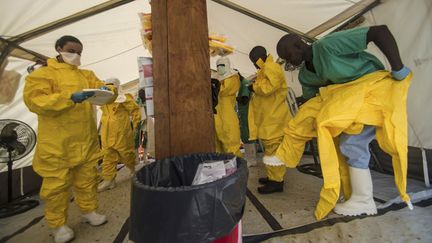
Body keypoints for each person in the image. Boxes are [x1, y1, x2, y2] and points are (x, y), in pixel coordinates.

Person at [272, 25, 412, 218]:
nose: (289, 61)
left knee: (352, 143)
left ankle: (364, 200)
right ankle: (288, 152)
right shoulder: (305, 75)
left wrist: (398, 67)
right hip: (347, 101)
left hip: (372, 89)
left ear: (299, 44)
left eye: (289, 55)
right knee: (337, 140)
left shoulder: (327, 45)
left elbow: (379, 31)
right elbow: (314, 101)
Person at [23, 35, 116, 243]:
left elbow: (105, 88)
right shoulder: (42, 75)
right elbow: (36, 102)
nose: (76, 56)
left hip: (85, 140)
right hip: (57, 144)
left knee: (87, 180)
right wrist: (68, 98)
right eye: (72, 50)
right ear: (59, 48)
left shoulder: (86, 75)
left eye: (79, 52)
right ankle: (58, 225)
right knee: (56, 187)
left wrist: (108, 90)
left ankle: (89, 211)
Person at [248, 46, 291, 194]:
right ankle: (273, 176)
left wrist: (253, 87)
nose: (253, 63)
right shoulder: (265, 69)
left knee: (274, 149)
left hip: (274, 118)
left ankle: (276, 182)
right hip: (269, 118)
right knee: (270, 148)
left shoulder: (271, 67)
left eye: (253, 60)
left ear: (258, 58)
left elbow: (268, 88)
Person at [98, 78, 141, 192]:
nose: (108, 87)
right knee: (107, 156)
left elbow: (136, 111)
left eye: (110, 85)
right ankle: (109, 180)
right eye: (106, 85)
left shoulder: (124, 98)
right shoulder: (103, 100)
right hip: (106, 133)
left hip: (121, 133)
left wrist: (137, 127)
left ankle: (133, 170)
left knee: (126, 153)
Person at [213, 57, 242, 157]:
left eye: (222, 66)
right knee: (218, 146)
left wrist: (215, 86)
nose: (219, 68)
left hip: (227, 115)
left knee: (231, 143)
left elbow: (224, 90)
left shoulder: (233, 79)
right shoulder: (216, 80)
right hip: (216, 115)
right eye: (218, 66)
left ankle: (236, 168)